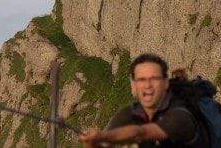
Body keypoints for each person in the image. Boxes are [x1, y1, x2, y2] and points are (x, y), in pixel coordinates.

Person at [80, 53, 208, 147]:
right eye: (141, 79)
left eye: (154, 79)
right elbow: (104, 145)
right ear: (134, 85)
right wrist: (92, 143)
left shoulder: (180, 115)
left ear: (165, 83)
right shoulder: (129, 114)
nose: (147, 85)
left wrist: (102, 135)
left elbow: (142, 133)